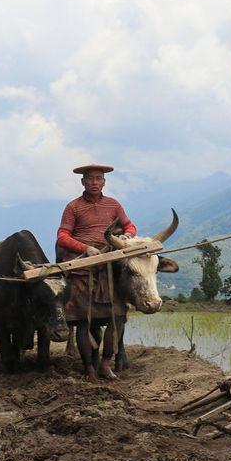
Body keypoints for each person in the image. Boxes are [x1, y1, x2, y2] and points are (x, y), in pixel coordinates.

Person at [56, 163, 136, 381]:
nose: (94, 182)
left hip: (108, 269)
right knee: (83, 320)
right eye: (90, 178)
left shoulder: (113, 205)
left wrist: (127, 236)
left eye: (98, 178)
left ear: (104, 182)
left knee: (118, 316)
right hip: (81, 269)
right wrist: (85, 248)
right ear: (83, 182)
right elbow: (62, 237)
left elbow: (130, 227)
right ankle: (89, 368)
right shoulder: (73, 207)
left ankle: (105, 364)